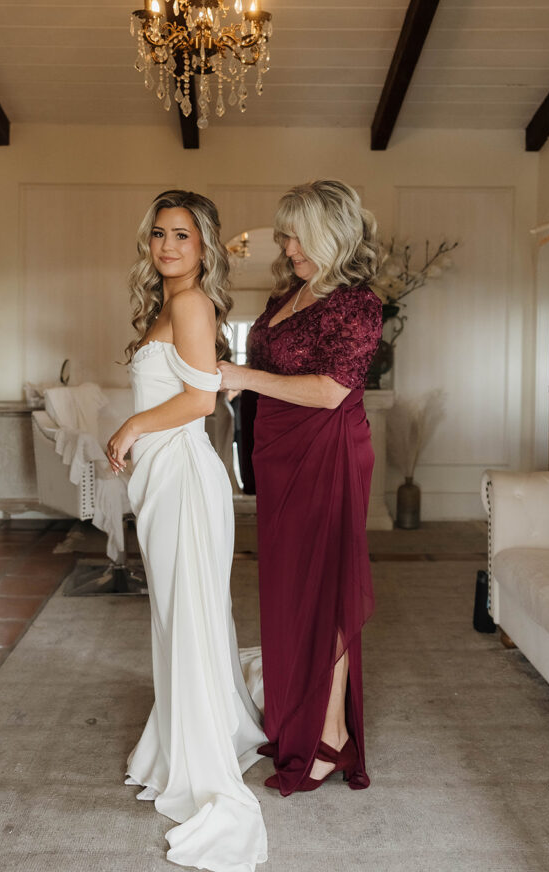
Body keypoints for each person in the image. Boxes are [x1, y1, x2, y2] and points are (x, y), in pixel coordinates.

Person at [106, 190, 267, 872]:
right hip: (162, 478)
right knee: (177, 618)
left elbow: (202, 398)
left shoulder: (193, 303)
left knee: (188, 616)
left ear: (204, 246)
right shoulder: (165, 305)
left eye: (182, 236)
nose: (167, 246)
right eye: (159, 235)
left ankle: (201, 759)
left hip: (182, 477)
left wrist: (131, 426)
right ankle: (192, 734)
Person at [218, 179, 382, 796]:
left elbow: (332, 391)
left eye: (293, 234)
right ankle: (299, 716)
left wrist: (248, 377)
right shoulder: (293, 292)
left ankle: (330, 734)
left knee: (326, 589)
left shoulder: (357, 303)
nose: (285, 246)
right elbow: (267, 366)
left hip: (327, 452)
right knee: (291, 587)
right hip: (282, 451)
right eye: (286, 234)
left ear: (325, 235)